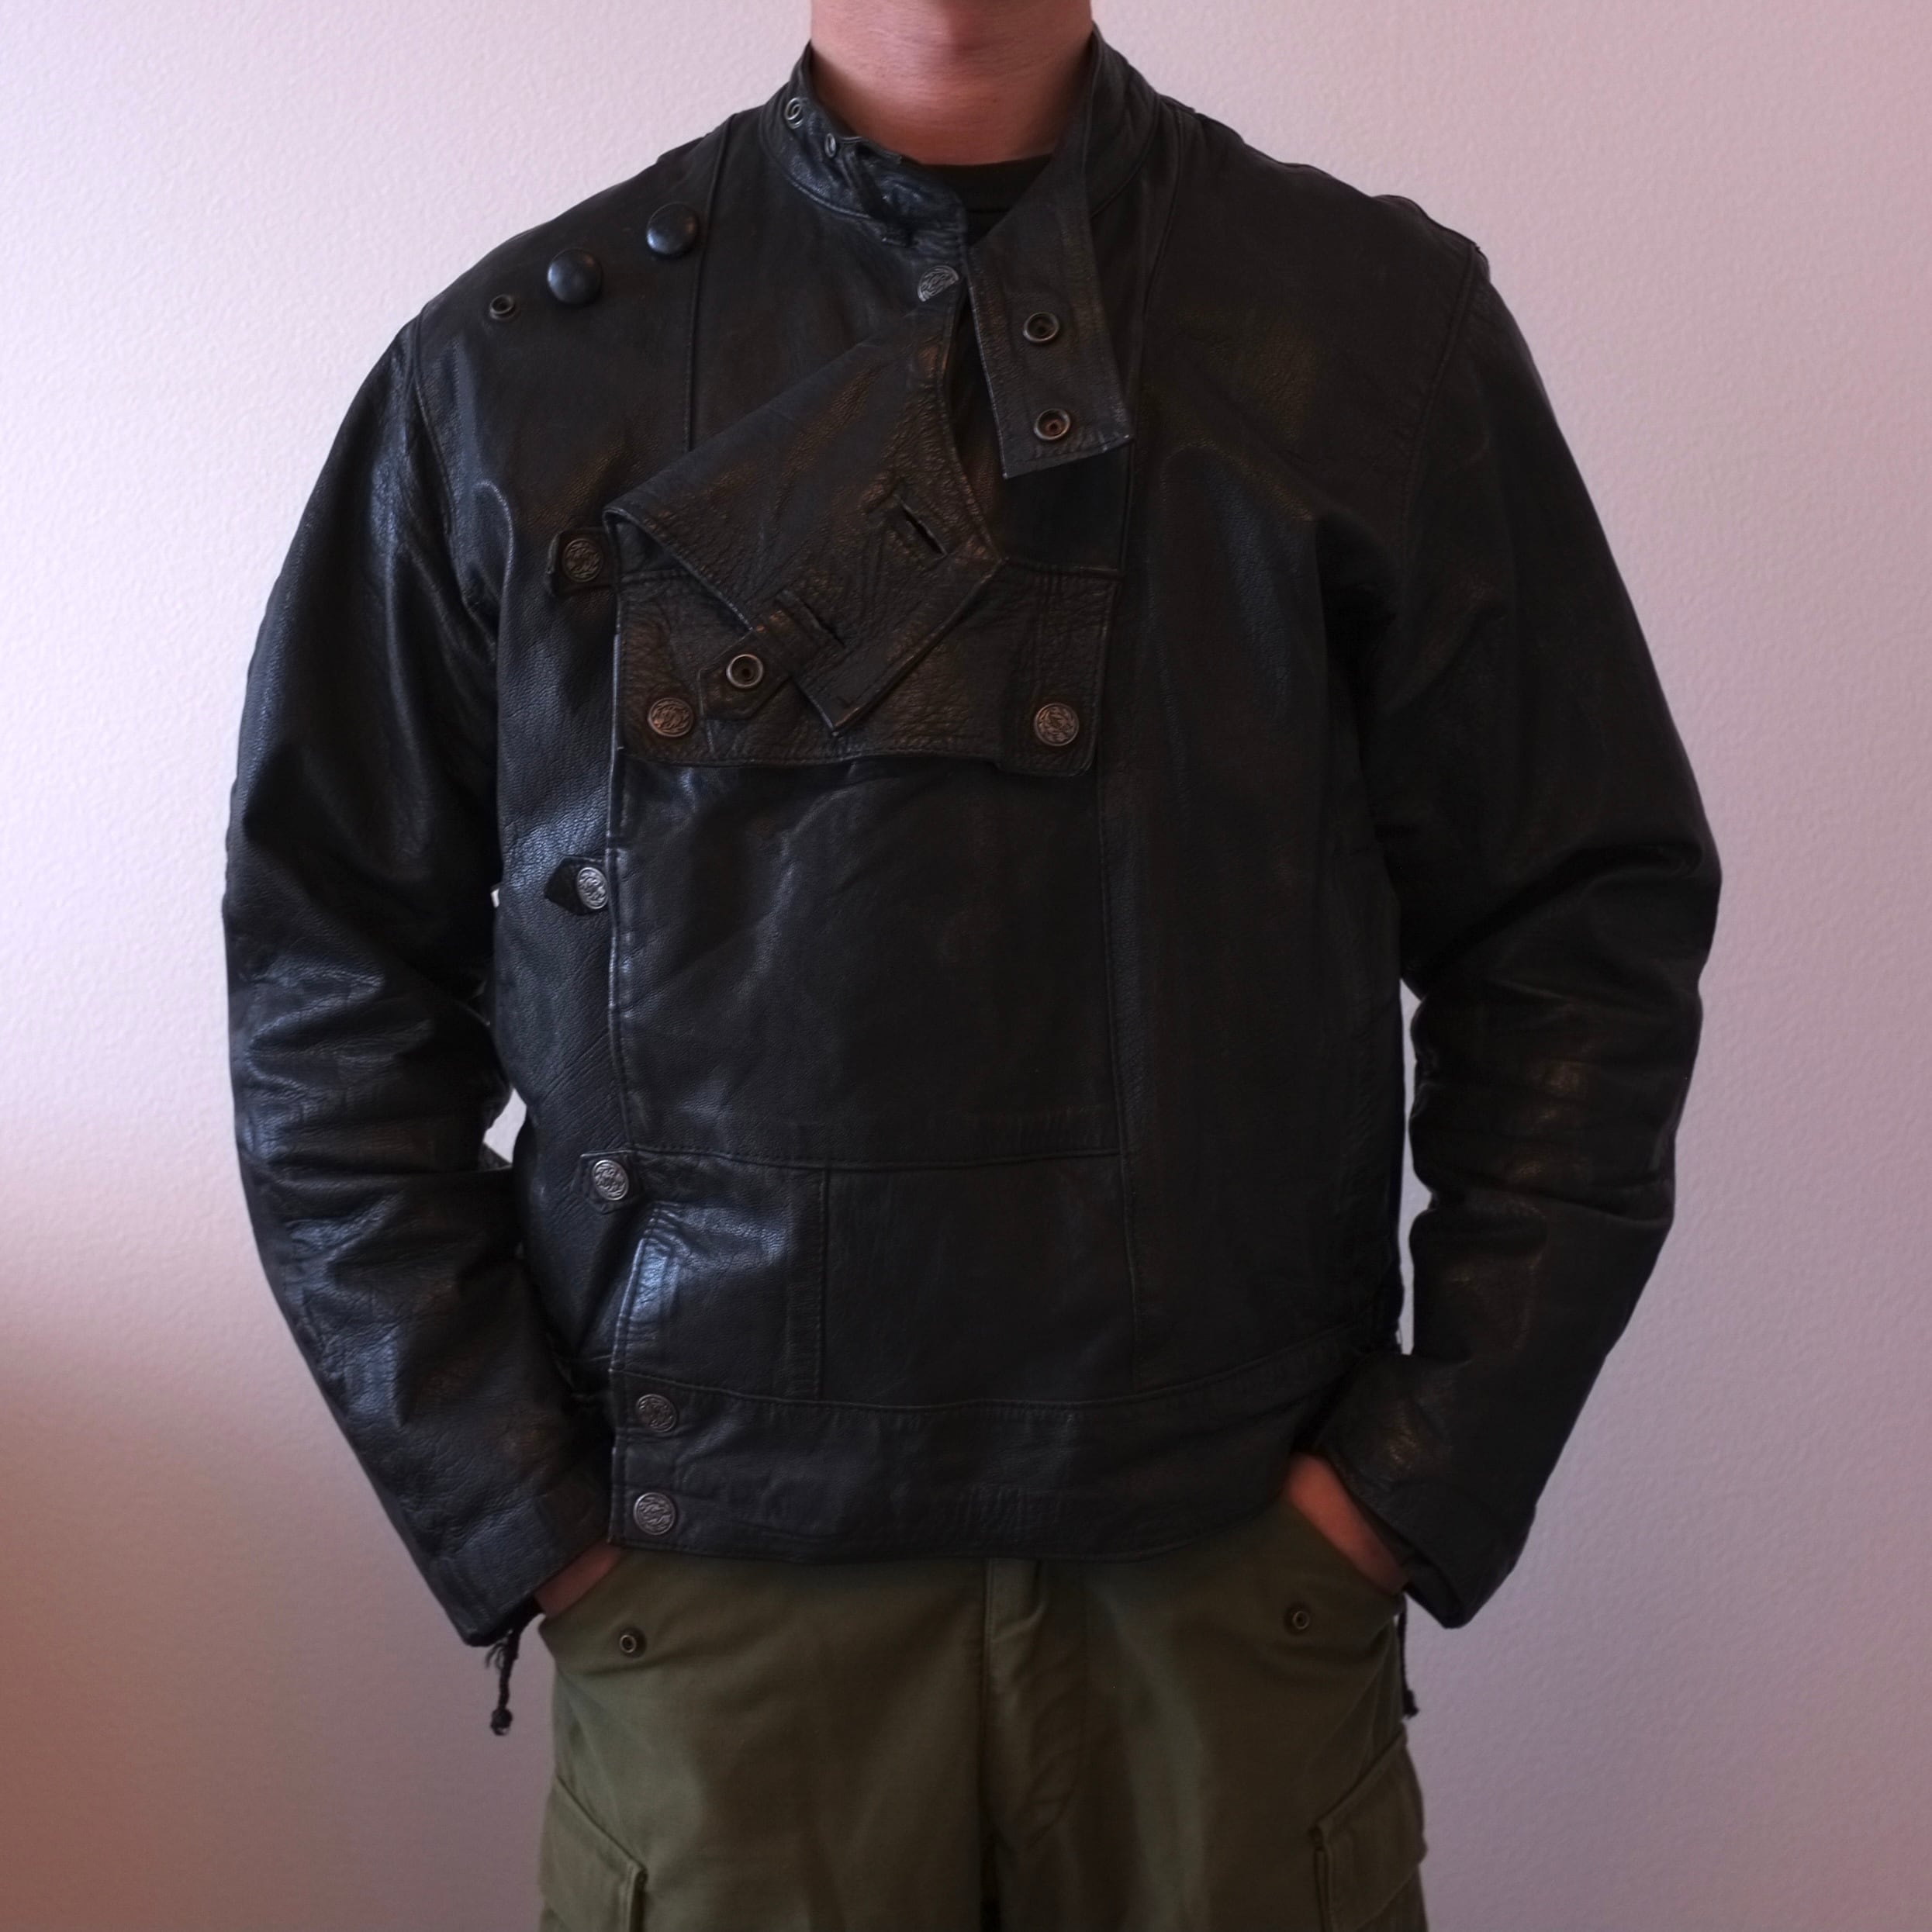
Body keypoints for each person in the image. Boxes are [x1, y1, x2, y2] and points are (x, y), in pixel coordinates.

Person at [220, 1, 1722, 1926]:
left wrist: (1413, 1478)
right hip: (717, 1599)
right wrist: (520, 1512)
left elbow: (1579, 918)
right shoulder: (509, 371)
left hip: (1220, 1588)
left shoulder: (1373, 333)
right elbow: (326, 976)